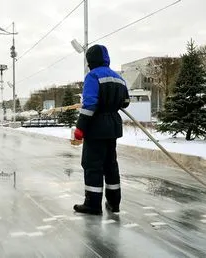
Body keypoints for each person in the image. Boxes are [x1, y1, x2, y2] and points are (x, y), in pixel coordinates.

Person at [73, 44, 130, 215]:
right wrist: (112, 102)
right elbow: (126, 102)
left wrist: (80, 127)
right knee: (110, 164)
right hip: (112, 126)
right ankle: (114, 203)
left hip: (96, 126)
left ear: (90, 60)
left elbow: (90, 104)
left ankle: (93, 204)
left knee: (92, 165)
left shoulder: (92, 76)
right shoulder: (118, 78)